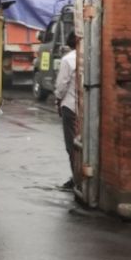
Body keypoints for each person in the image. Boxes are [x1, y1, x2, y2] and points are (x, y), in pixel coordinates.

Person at [55, 31, 79, 189]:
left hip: (70, 106)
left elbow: (61, 86)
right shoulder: (90, 56)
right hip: (85, 108)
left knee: (72, 145)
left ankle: (76, 178)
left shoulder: (68, 59)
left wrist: (57, 99)